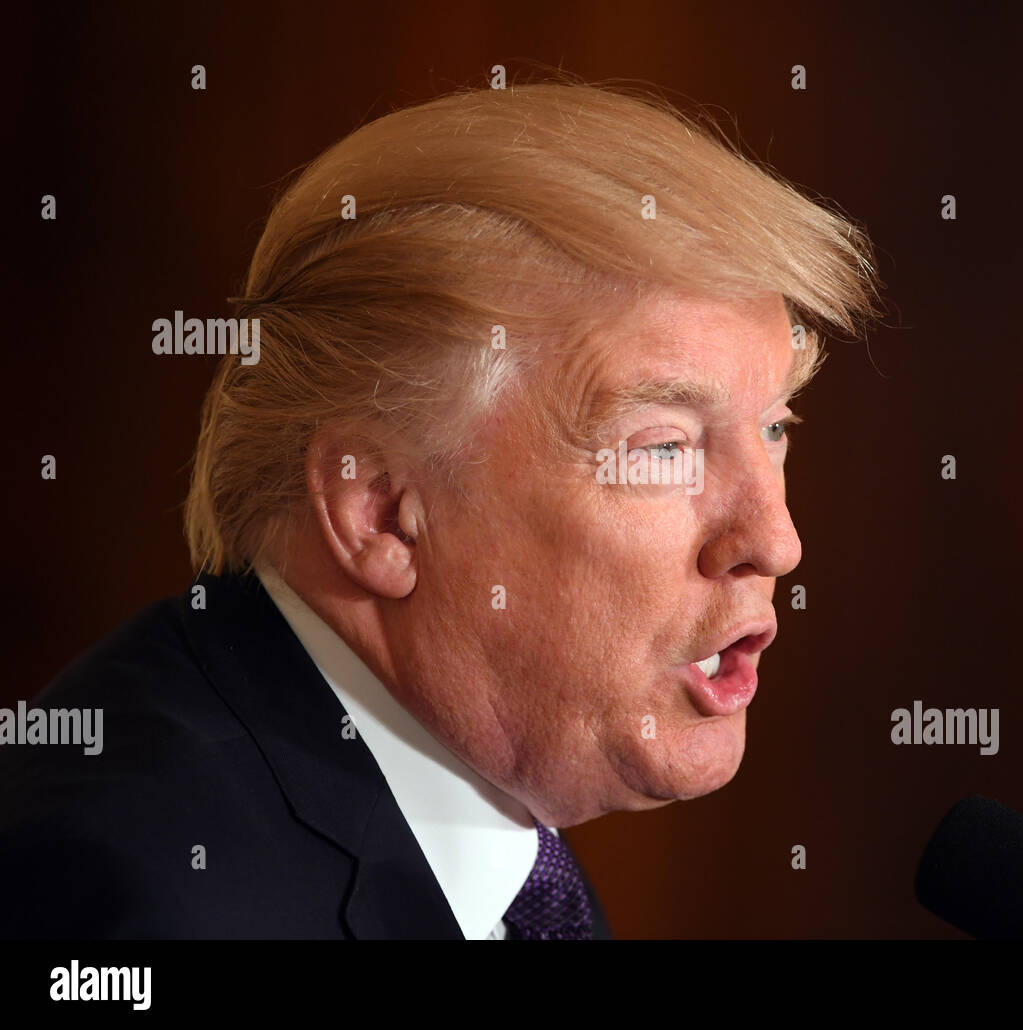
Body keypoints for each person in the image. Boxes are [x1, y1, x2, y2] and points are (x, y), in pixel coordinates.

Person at [0, 78, 882, 938]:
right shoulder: (141, 891)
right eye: (663, 447)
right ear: (379, 512)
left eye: (774, 427)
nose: (775, 540)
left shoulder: (500, 856)